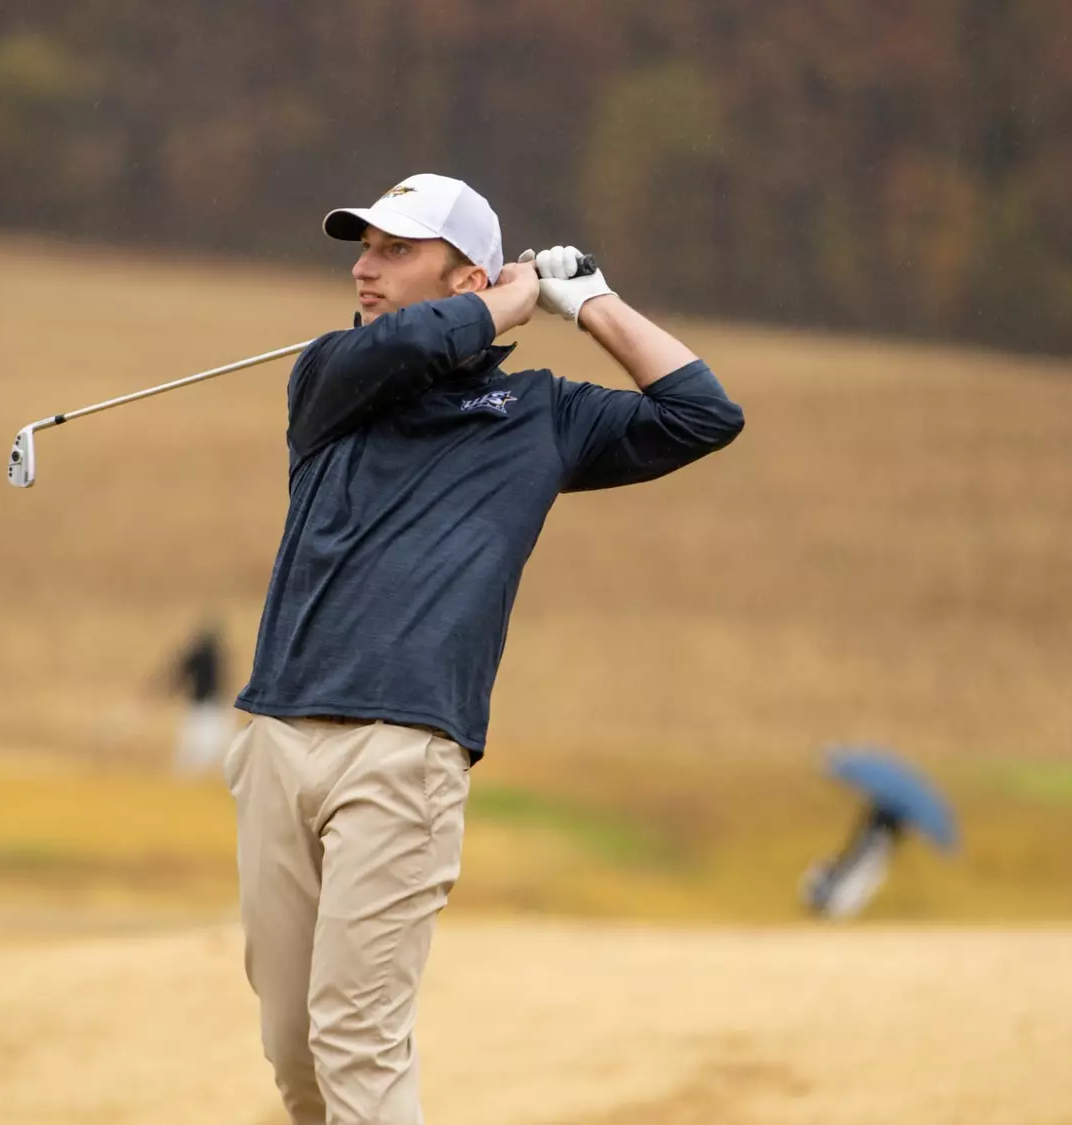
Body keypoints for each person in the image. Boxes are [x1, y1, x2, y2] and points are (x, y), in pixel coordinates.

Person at [224, 173, 745, 1124]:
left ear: (460, 277)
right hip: (277, 733)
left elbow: (702, 413)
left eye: (394, 250)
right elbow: (423, 342)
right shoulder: (332, 377)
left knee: (357, 1038)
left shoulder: (540, 415)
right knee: (293, 1045)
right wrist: (510, 298)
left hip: (403, 748)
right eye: (364, 247)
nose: (363, 267)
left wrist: (588, 301)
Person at [167, 620, 233, 775]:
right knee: (209, 738)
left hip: (202, 702)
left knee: (197, 738)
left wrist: (171, 689)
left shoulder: (197, 655)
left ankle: (191, 768)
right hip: (210, 702)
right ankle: (197, 769)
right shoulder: (214, 656)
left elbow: (181, 673)